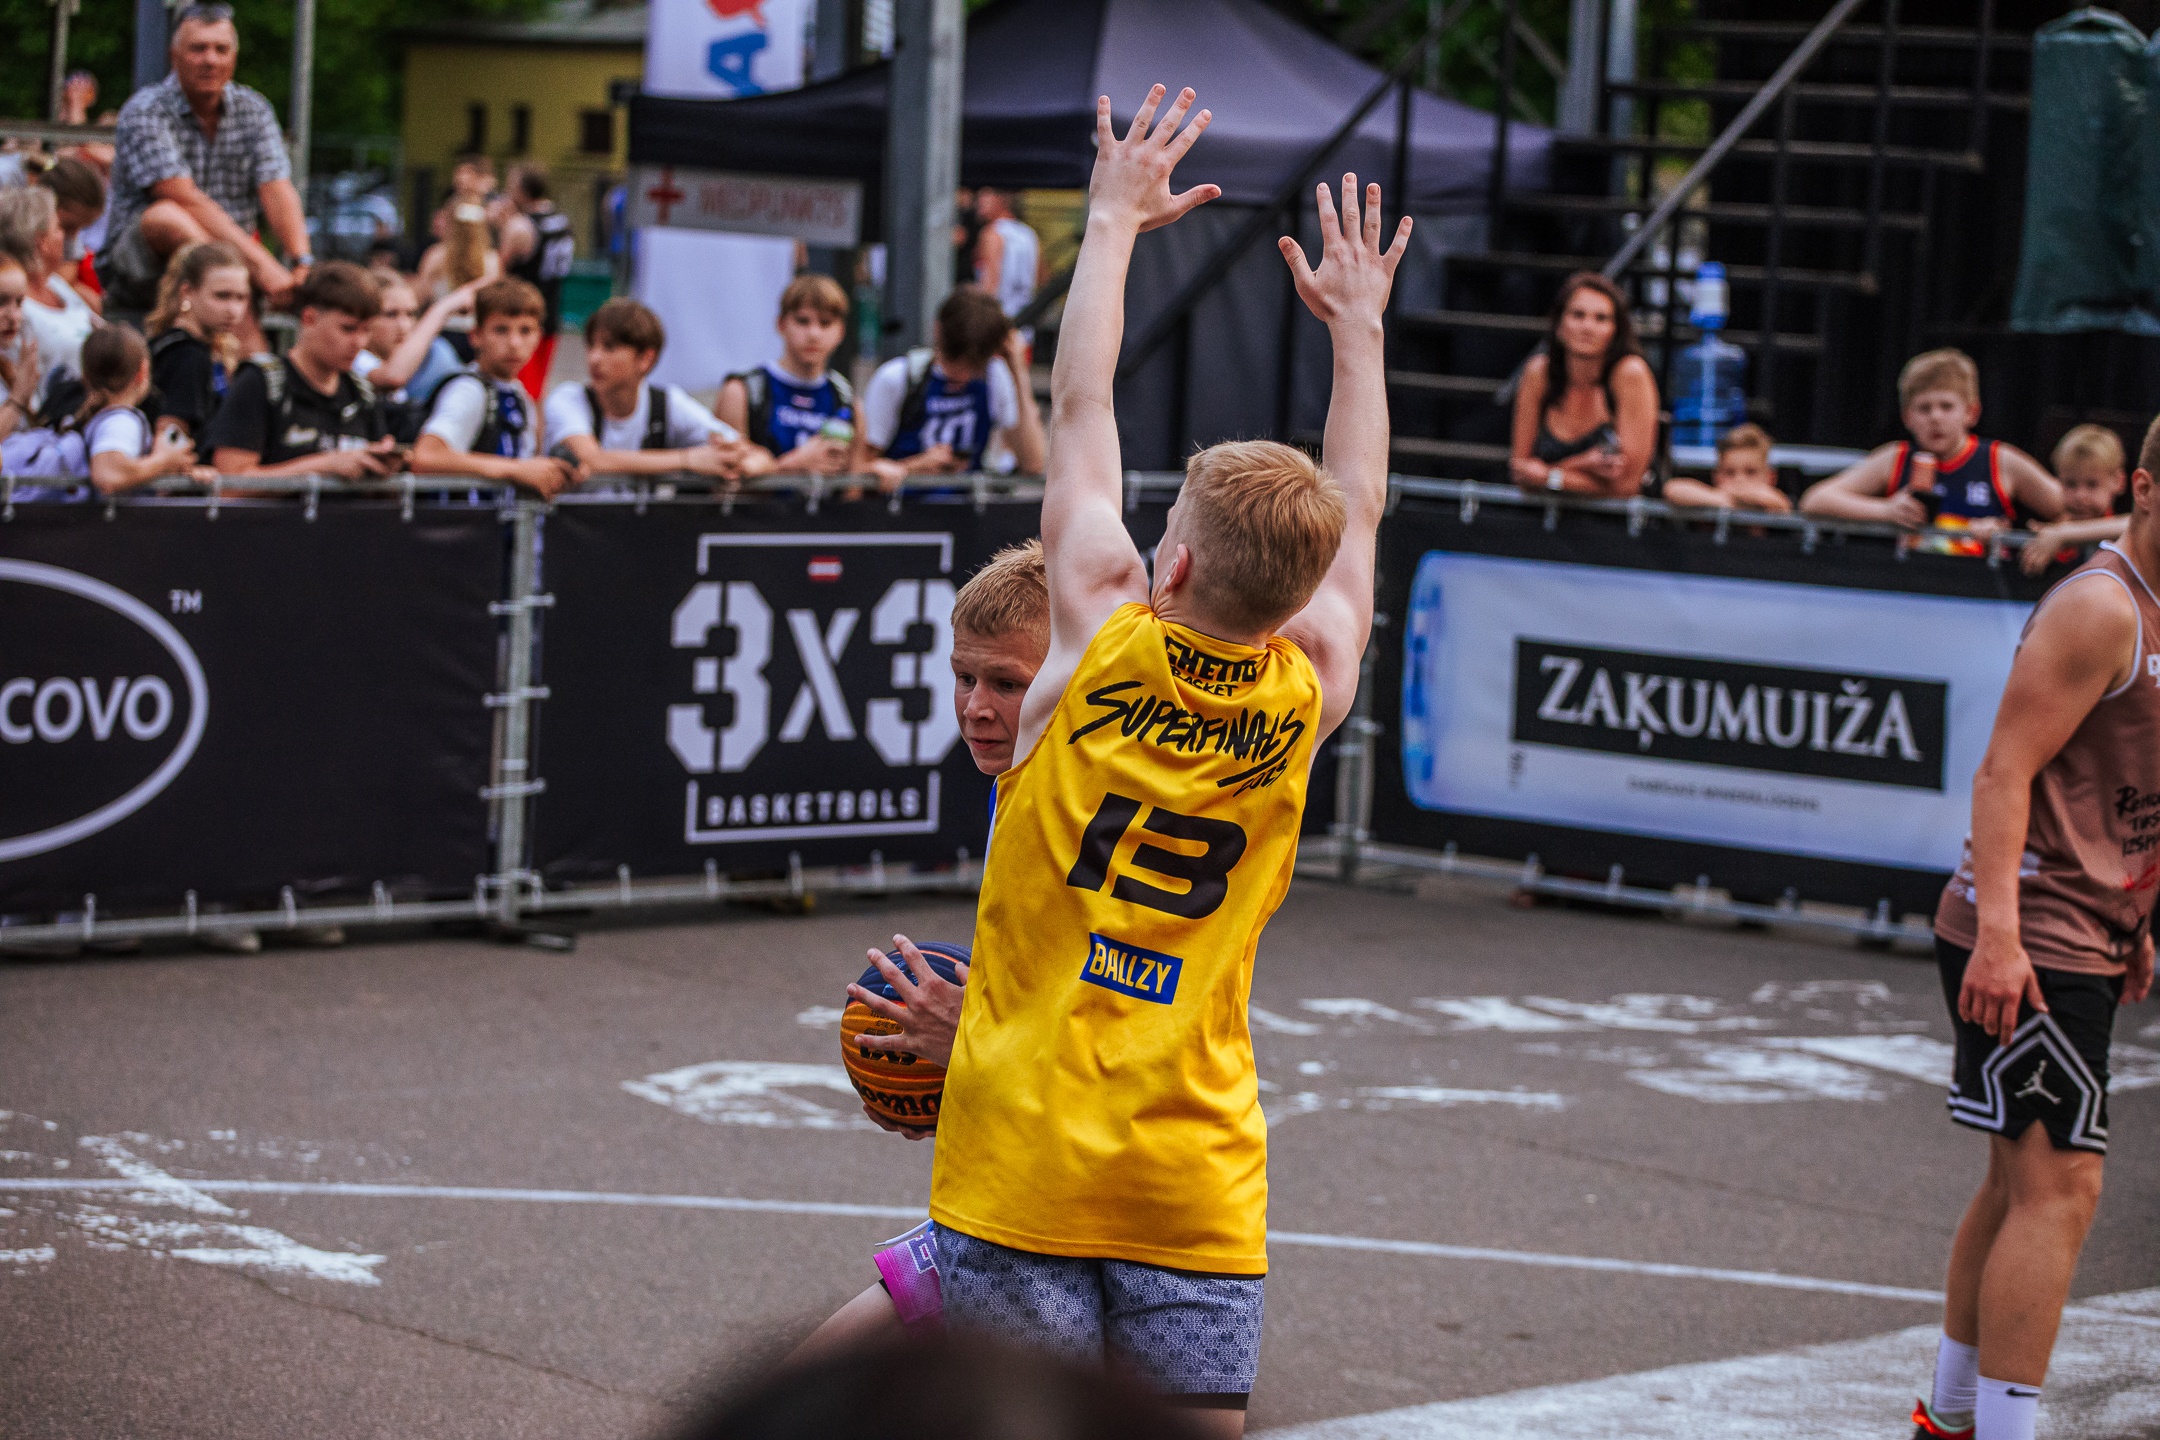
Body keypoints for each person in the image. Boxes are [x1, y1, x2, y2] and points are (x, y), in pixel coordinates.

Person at [924, 87, 1405, 1433]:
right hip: (1194, 1169)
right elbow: (1361, 505)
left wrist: (1115, 221)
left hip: (1023, 1151)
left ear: (1171, 563)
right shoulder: (1311, 683)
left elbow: (1081, 401)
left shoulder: (1098, 635)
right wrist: (1358, 333)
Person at [1916, 414, 2160, 1440]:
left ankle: (1950, 1417)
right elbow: (2003, 774)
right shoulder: (2103, 608)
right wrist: (2002, 938)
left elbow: (2120, 783)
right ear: (2144, 488)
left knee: (2020, 1179)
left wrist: (2136, 915)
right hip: (2033, 932)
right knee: (2063, 1188)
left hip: (2088, 926)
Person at [785, 540, 1051, 1367]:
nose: (975, 707)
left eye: (1006, 684)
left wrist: (964, 1044)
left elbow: (1110, 1025)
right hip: (1024, 1173)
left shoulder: (1072, 809)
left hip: (1077, 1199)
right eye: (964, 677)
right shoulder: (1017, 784)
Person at [98, 3, 311, 327]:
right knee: (167, 216)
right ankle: (230, 292)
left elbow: (276, 187)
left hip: (238, 266)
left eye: (220, 49)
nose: (210, 60)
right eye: (198, 49)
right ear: (175, 55)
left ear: (234, 57)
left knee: (328, 288)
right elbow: (182, 196)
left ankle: (241, 311)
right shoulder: (146, 110)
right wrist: (261, 268)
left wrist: (301, 261)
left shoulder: (254, 109)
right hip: (142, 270)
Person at [1800, 349, 2062, 547]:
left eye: (1946, 407)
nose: (1935, 418)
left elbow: (2069, 505)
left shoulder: (2000, 460)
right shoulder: (1896, 458)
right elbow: (1815, 500)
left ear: (1971, 412)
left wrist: (2044, 535)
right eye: (1924, 409)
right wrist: (1886, 511)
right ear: (1907, 417)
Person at [204, 261, 396, 480]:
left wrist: (384, 466)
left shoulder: (361, 392)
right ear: (309, 318)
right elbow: (230, 482)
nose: (359, 342)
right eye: (348, 329)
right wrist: (325, 465)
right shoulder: (261, 382)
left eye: (366, 330)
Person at [544, 298, 760, 485]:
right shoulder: (568, 399)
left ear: (646, 359)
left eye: (609, 347)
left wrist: (742, 463)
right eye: (591, 345)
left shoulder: (667, 402)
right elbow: (592, 460)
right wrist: (687, 460)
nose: (594, 358)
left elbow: (743, 449)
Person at [852, 286, 1046, 488]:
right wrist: (914, 467)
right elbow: (859, 473)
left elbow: (1032, 465)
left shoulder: (994, 377)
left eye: (974, 368)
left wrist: (1018, 371)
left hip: (966, 503)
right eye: (953, 362)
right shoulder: (898, 378)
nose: (962, 377)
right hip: (904, 502)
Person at [410, 277, 577, 498]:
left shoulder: (519, 394)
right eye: (501, 330)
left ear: (538, 336)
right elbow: (426, 457)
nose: (514, 343)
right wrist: (513, 469)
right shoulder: (468, 390)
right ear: (476, 336)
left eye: (525, 331)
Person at [1508, 271, 1658, 499]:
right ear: (1559, 325)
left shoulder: (1630, 373)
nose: (1588, 327)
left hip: (1618, 518)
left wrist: (1549, 476)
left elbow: (1628, 486)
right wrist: (1583, 464)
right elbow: (1521, 473)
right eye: (1578, 315)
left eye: (1601, 318)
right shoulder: (1539, 372)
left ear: (1616, 330)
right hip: (1545, 514)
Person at [716, 274, 855, 476]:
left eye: (825, 323)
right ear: (781, 324)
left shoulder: (846, 398)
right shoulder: (742, 391)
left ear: (841, 331)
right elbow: (726, 480)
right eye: (802, 321)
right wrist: (793, 464)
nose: (814, 334)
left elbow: (854, 484)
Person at [72, 327, 215, 494]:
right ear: (143, 372)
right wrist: (163, 460)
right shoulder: (120, 422)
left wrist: (177, 471)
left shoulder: (97, 418)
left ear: (85, 377)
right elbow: (108, 475)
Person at [145, 241, 249, 457]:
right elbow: (170, 437)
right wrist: (187, 468)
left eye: (241, 297)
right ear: (187, 292)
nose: (233, 310)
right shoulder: (187, 355)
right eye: (222, 296)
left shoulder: (186, 346)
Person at [0, 186, 100, 389]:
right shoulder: (14, 308)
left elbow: (101, 329)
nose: (64, 236)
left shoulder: (54, 283)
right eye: (58, 228)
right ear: (42, 242)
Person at [357, 274, 474, 445]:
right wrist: (441, 310)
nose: (404, 326)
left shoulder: (436, 352)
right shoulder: (356, 359)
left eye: (411, 314)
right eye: (390, 314)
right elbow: (393, 376)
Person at [497, 166, 576, 399]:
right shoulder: (562, 222)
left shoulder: (521, 226)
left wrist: (501, 226)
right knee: (536, 392)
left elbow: (498, 270)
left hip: (520, 319)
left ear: (522, 191)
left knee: (519, 392)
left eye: (511, 186)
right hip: (550, 313)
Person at [2021, 425, 2129, 577]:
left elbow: (2132, 524)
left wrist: (2063, 534)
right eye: (2070, 484)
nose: (2080, 496)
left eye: (2092, 484)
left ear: (2119, 481)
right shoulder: (2050, 531)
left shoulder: (2124, 536)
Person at [1662, 422, 1791, 512]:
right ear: (1716, 476)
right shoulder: (1714, 500)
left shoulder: (1775, 505)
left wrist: (1733, 496)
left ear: (1771, 477)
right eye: (1729, 473)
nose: (1739, 480)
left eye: (1750, 472)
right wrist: (1724, 500)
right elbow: (1672, 489)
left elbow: (1780, 503)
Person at [39, 158, 107, 313]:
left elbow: (67, 273)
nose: (73, 236)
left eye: (81, 228)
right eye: (66, 226)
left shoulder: (70, 237)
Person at [973, 187, 1042, 342]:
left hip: (995, 326)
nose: (979, 200)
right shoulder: (1028, 234)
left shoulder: (992, 233)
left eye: (986, 194)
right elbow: (1039, 278)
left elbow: (989, 285)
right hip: (1023, 327)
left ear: (1001, 198)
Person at [0, 252, 43, 446]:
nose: (13, 316)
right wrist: (18, 397)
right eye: (1, 301)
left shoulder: (12, 358)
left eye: (19, 302)